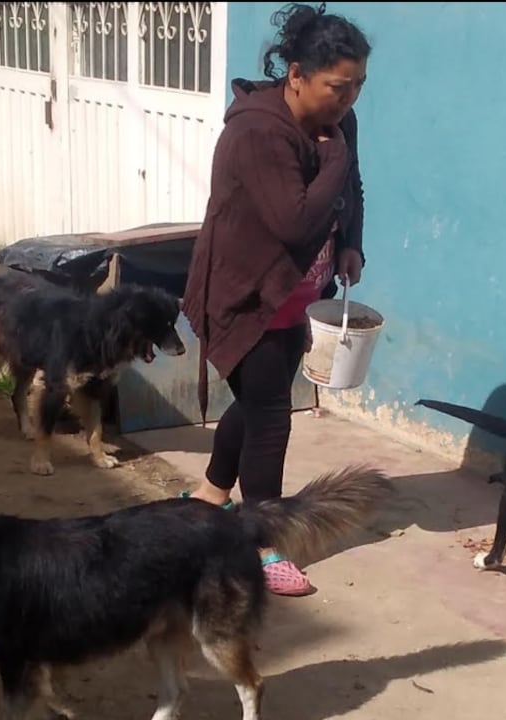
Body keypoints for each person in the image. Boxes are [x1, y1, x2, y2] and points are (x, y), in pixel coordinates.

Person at [180, 2, 372, 597]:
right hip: (244, 294)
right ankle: (259, 546)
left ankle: (210, 496)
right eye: (338, 87)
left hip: (297, 291)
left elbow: (351, 188)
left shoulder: (339, 125)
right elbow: (292, 221)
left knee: (260, 401)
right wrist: (334, 154)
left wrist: (352, 245)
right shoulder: (257, 130)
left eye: (359, 87)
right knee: (269, 418)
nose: (349, 100)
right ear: (295, 75)